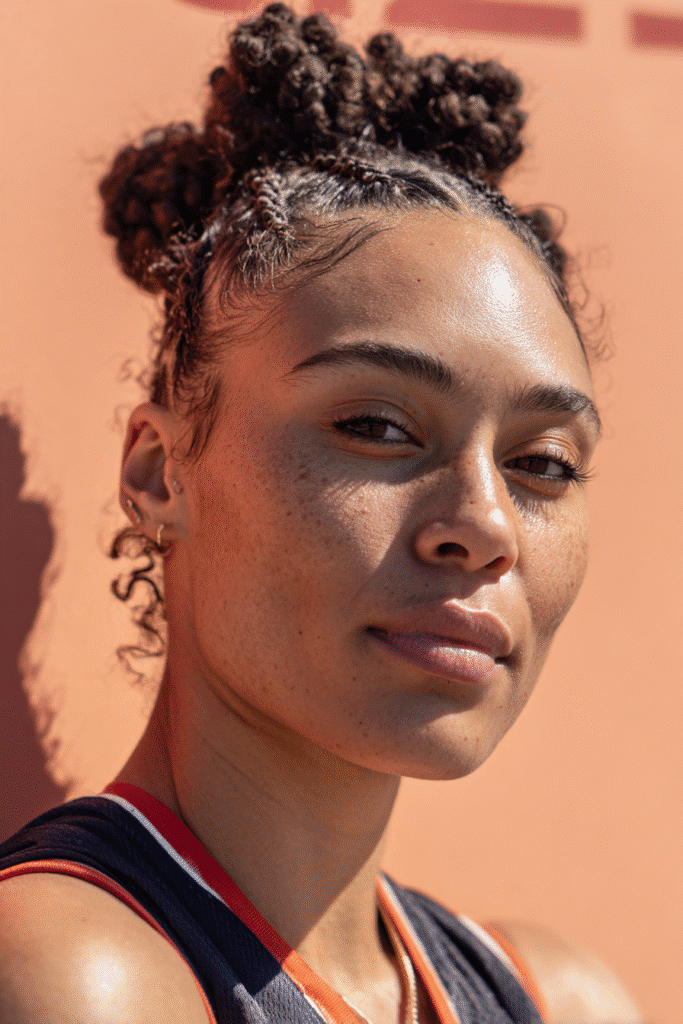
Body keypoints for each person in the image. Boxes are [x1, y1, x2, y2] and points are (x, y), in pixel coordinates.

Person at [0, 5, 643, 1022]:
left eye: (540, 462)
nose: (484, 523)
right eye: (380, 426)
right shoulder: (73, 972)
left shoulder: (554, 995)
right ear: (161, 470)